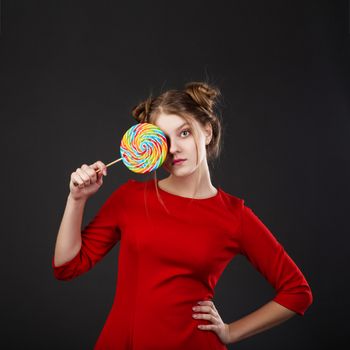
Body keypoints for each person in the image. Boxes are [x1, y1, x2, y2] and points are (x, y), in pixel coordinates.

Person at [52, 81, 313, 349]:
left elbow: (297, 292)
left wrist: (230, 332)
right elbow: (66, 267)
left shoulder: (234, 216)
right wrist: (77, 199)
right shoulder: (131, 198)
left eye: (184, 133)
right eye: (164, 139)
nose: (173, 148)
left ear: (207, 131)